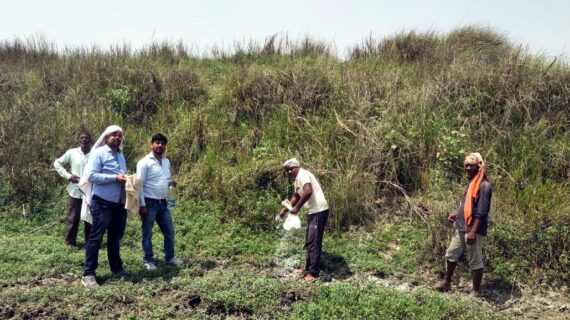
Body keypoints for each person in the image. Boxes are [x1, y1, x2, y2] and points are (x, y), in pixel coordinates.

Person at [436, 152, 492, 297]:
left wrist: (473, 231)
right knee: (451, 254)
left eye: (471, 166)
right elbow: (468, 206)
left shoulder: (484, 186)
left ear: (479, 166)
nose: (467, 168)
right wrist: (457, 215)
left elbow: (481, 212)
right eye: (466, 165)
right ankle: (446, 283)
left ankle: (476, 291)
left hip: (473, 229)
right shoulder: (472, 182)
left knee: (475, 260)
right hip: (461, 226)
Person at [79, 125, 128, 288]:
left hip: (119, 203)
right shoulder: (98, 153)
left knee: (115, 237)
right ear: (106, 137)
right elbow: (91, 176)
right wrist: (115, 178)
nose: (117, 137)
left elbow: (121, 175)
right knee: (96, 237)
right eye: (113, 135)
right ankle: (88, 274)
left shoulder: (120, 155)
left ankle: (116, 268)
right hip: (103, 202)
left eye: (119, 135)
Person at [277, 158, 329, 282]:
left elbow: (308, 191)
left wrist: (296, 208)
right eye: (287, 170)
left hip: (319, 211)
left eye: (291, 169)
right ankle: (308, 268)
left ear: (297, 167)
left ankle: (313, 273)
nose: (289, 172)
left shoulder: (303, 174)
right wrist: (284, 210)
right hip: (313, 212)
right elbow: (297, 195)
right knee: (310, 241)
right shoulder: (298, 179)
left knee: (314, 242)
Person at [137, 133, 182, 271]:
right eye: (157, 143)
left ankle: (170, 257)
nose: (160, 145)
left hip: (163, 203)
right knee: (147, 233)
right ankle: (148, 260)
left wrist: (170, 184)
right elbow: (139, 185)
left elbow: (165, 179)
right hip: (149, 203)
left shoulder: (166, 161)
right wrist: (142, 205)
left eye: (162, 143)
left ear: (165, 146)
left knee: (169, 232)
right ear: (151, 145)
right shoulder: (144, 162)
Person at [53, 130, 92, 247]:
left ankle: (89, 243)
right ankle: (70, 243)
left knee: (89, 218)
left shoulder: (95, 153)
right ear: (78, 140)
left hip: (90, 191)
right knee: (73, 218)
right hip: (75, 190)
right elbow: (57, 163)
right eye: (82, 138)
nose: (84, 140)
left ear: (90, 139)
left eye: (86, 138)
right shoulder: (72, 153)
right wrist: (68, 176)